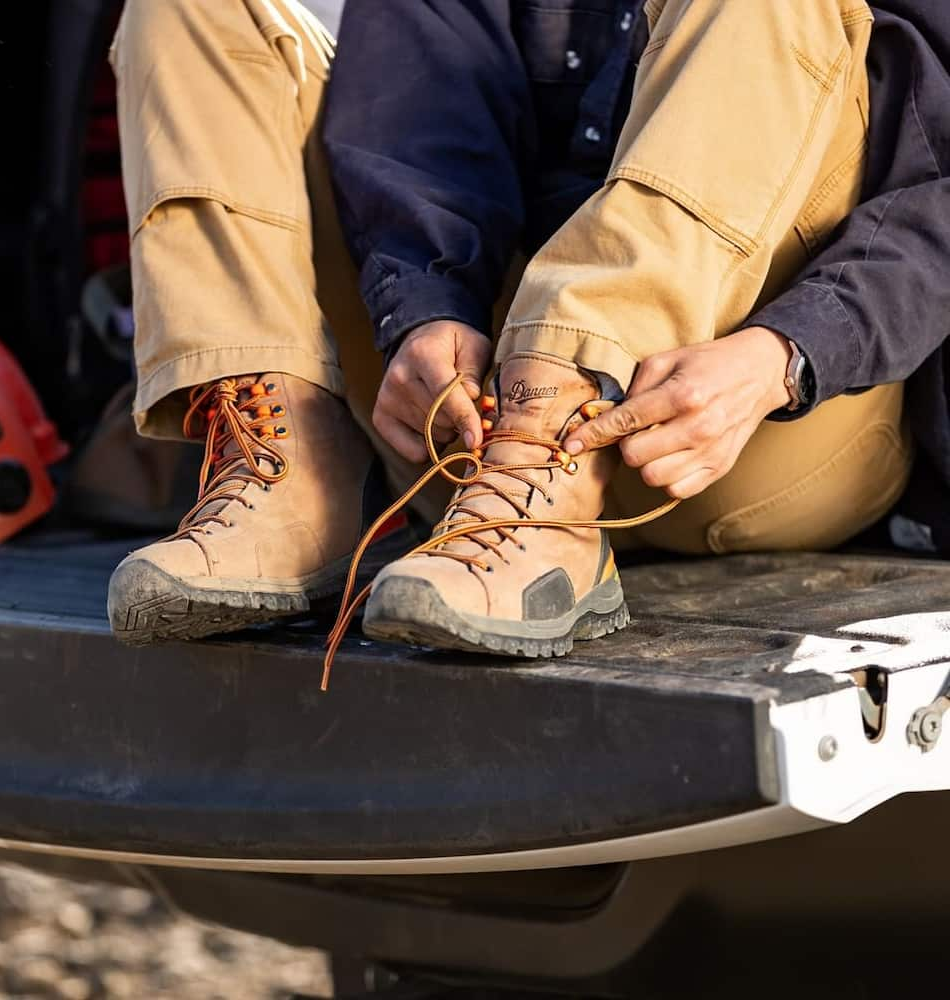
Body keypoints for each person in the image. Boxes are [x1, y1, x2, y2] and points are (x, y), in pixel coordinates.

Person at [107, 0, 950, 658]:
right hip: (468, 436)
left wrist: (784, 357)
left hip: (749, 425)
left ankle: (554, 495)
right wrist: (425, 307)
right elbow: (421, 104)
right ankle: (290, 485)